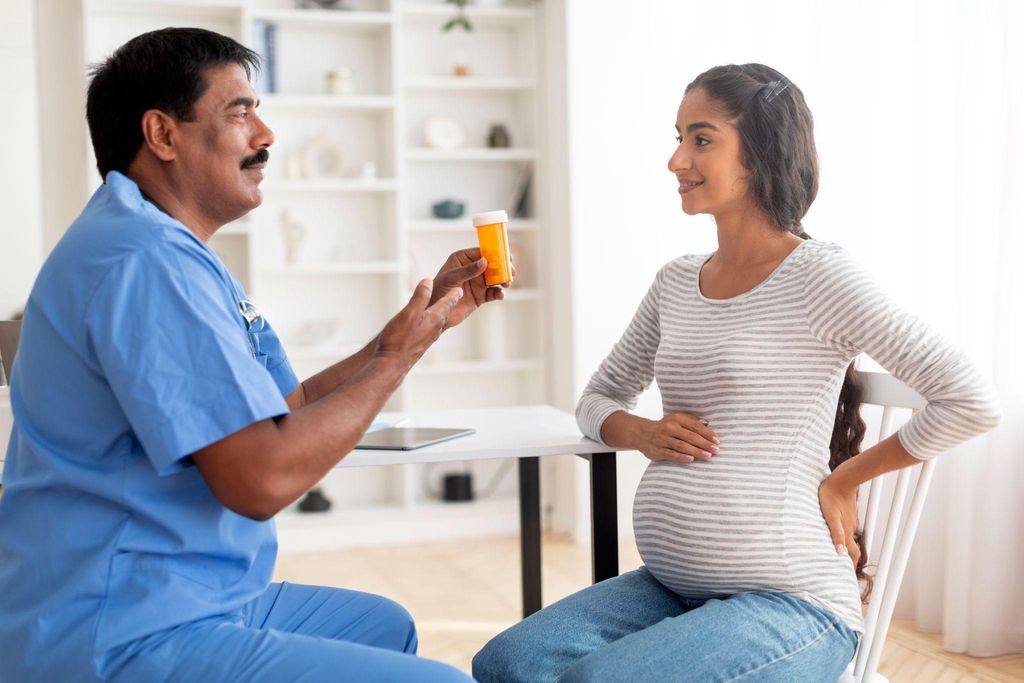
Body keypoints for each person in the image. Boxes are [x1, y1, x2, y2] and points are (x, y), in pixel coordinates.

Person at [0, 27, 507, 682]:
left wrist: (416, 328)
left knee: (387, 625)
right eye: (240, 113)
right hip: (118, 630)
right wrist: (393, 364)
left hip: (183, 591)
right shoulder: (143, 261)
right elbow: (260, 478)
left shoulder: (165, 246)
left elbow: (282, 410)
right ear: (163, 135)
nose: (265, 136)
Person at [472, 63, 1002, 682]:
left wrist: (843, 480)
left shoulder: (820, 276)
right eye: (676, 137)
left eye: (701, 139)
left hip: (793, 607)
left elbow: (970, 399)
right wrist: (639, 431)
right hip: (671, 587)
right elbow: (598, 397)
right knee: (507, 663)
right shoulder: (675, 281)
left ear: (763, 152)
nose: (676, 160)